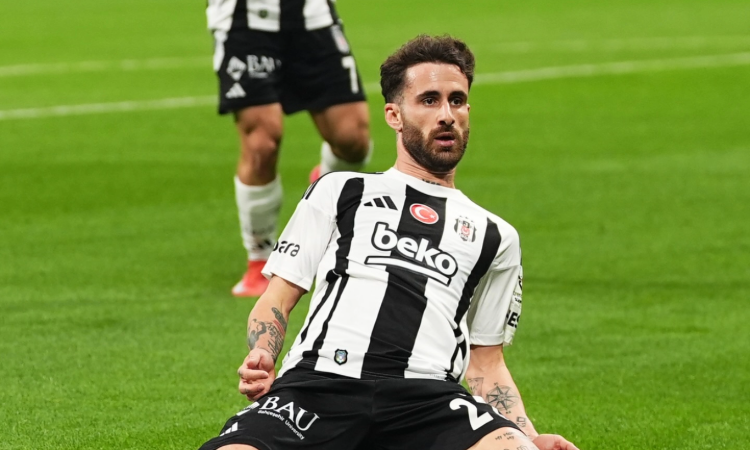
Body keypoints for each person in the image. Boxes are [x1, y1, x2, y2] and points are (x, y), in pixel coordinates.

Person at [198, 35, 580, 450]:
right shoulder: (340, 191)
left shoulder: (495, 235)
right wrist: (263, 353)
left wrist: (530, 436)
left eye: (457, 100)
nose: (447, 115)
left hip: (429, 401)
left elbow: (486, 362)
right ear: (394, 115)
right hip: (318, 387)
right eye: (429, 100)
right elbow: (277, 297)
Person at [206, 0, 373, 297]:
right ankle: (260, 259)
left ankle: (324, 190)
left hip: (312, 16)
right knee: (262, 143)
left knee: (353, 140)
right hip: (246, 19)